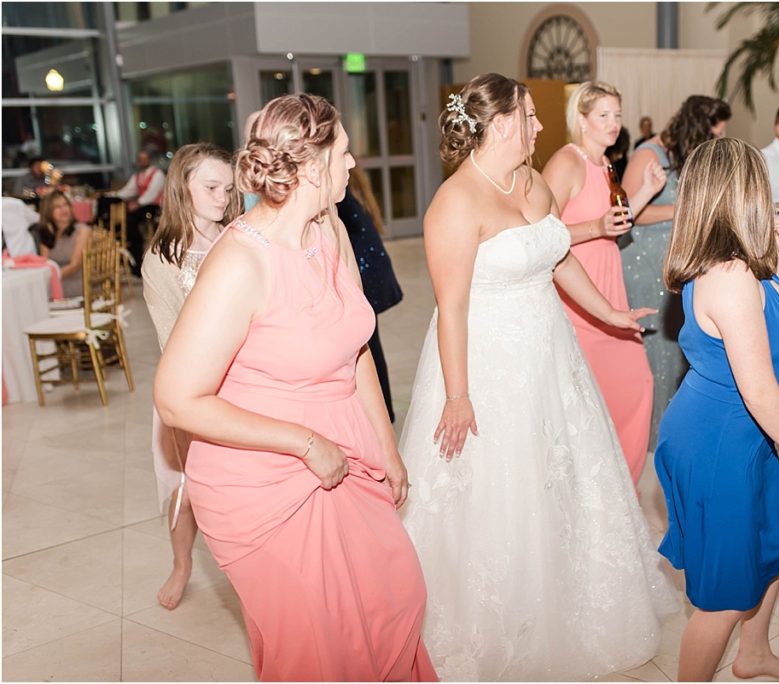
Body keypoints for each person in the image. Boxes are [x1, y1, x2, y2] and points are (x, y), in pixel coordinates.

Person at [399, 73, 676, 681]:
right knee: (501, 489)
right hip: (487, 361)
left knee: (564, 476)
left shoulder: (530, 181)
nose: (541, 126)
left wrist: (606, 312)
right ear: (500, 125)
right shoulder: (455, 203)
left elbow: (558, 253)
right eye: (530, 116)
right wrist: (458, 396)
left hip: (550, 354)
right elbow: (452, 308)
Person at [153, 94, 436, 681]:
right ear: (311, 167)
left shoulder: (326, 229)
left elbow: (353, 344)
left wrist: (386, 446)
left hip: (348, 448)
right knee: (320, 645)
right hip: (261, 479)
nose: (354, 164)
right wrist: (305, 442)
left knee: (393, 597)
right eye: (345, 152)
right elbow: (176, 399)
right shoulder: (240, 263)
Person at [657, 137, 779, 682]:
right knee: (726, 596)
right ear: (745, 192)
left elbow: (769, 319)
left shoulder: (738, 264)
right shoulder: (728, 276)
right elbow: (759, 390)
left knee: (775, 548)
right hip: (719, 440)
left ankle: (753, 655)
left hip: (742, 432)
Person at [542, 80, 666, 485]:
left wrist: (647, 190)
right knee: (595, 401)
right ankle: (595, 491)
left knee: (633, 389)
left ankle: (617, 492)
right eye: (603, 116)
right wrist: (594, 227)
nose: (613, 124)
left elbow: (616, 222)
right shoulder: (567, 162)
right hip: (578, 292)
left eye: (617, 115)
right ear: (581, 119)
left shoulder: (604, 164)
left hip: (608, 284)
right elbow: (541, 233)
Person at [141, 143, 240, 610]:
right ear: (183, 187)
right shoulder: (163, 259)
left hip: (245, 382)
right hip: (191, 389)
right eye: (211, 187)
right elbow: (171, 339)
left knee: (242, 485)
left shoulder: (238, 237)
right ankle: (182, 565)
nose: (223, 197)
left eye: (227, 188)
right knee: (191, 488)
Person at [621, 94, 731, 446]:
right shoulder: (647, 154)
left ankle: (672, 431)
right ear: (697, 127)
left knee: (675, 346)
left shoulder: (685, 156)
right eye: (713, 134)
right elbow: (626, 212)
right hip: (643, 260)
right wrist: (682, 209)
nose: (715, 141)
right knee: (654, 347)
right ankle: (647, 436)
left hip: (674, 262)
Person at [336, 164, 403, 422]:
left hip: (363, 273)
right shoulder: (350, 182)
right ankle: (382, 411)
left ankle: (381, 412)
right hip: (362, 270)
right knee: (369, 345)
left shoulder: (338, 193)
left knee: (368, 347)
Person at [117, 149, 166, 275]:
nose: (142, 162)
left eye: (145, 159)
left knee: (131, 218)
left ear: (150, 160)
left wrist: (137, 203)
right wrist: (114, 195)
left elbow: (151, 194)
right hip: (141, 207)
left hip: (154, 208)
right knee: (125, 216)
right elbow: (128, 190)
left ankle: (134, 243)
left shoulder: (157, 174)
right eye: (140, 159)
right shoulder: (138, 175)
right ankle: (130, 243)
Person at [34, 190, 91, 298]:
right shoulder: (46, 232)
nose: (63, 209)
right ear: (49, 211)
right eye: (57, 207)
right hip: (53, 281)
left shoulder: (82, 231)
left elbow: (75, 265)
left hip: (77, 282)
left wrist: (50, 278)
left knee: (36, 295)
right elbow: (46, 263)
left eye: (65, 205)